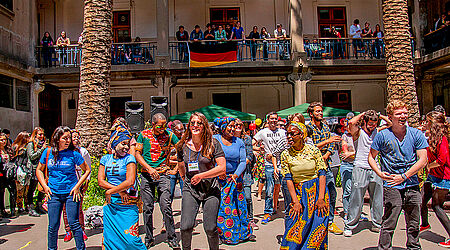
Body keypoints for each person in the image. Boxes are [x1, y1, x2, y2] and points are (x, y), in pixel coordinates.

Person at [368, 100, 428, 249]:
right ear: (390, 116)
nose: (403, 116)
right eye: (398, 113)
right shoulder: (382, 136)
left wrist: (405, 176)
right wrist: (379, 173)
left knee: (414, 222)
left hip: (412, 183)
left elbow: (423, 160)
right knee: (389, 221)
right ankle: (384, 247)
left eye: (405, 113)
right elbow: (371, 157)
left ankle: (414, 247)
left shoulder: (416, 134)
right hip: (392, 184)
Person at [176, 112, 226, 250]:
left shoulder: (213, 143)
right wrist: (185, 179)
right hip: (191, 189)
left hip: (211, 189)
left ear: (204, 126)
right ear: (189, 126)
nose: (195, 125)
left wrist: (201, 176)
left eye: (199, 123)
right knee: (185, 226)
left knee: (210, 228)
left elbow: (222, 168)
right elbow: (181, 165)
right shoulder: (182, 145)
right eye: (192, 123)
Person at [36, 126, 91, 250]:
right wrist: (45, 186)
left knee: (74, 223)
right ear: (57, 139)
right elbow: (39, 169)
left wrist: (77, 186)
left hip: (71, 193)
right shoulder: (48, 152)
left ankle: (81, 248)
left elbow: (87, 170)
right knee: (53, 226)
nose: (68, 141)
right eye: (64, 138)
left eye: (69, 138)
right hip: (53, 193)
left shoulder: (74, 154)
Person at [280, 121, 329, 249]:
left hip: (318, 191)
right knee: (296, 225)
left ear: (302, 135)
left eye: (292, 134)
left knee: (318, 226)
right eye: (287, 134)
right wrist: (295, 201)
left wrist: (321, 198)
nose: (289, 137)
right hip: (299, 192)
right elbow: (288, 178)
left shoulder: (313, 150)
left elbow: (322, 173)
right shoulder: (285, 154)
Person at [343, 110, 392, 237]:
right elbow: (351, 122)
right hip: (360, 167)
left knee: (377, 198)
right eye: (370, 123)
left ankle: (377, 223)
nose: (373, 125)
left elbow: (391, 124)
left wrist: (380, 116)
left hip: (375, 168)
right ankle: (350, 225)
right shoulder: (358, 132)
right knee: (356, 198)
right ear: (364, 121)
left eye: (375, 123)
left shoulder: (378, 131)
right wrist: (363, 113)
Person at [135, 113, 180, 248]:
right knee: (148, 208)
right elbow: (137, 154)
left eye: (165, 125)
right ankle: (149, 237)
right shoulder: (143, 135)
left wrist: (176, 168)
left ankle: (172, 237)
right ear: (153, 124)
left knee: (166, 206)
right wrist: (149, 169)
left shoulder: (170, 135)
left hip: (163, 175)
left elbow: (182, 149)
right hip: (146, 175)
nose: (163, 128)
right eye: (160, 125)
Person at [98, 125, 146, 249]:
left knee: (132, 239)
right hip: (111, 204)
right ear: (115, 143)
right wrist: (119, 192)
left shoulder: (129, 158)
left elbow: (130, 181)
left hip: (128, 204)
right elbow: (100, 181)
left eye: (127, 144)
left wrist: (111, 191)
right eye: (122, 143)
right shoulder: (105, 159)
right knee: (110, 239)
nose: (126, 147)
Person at [213, 117, 255, 244]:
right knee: (223, 207)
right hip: (220, 179)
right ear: (222, 128)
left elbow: (243, 161)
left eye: (234, 126)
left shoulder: (239, 142)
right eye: (229, 126)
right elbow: (209, 158)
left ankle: (244, 233)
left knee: (239, 206)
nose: (232, 128)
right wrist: (219, 172)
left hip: (236, 179)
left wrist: (236, 175)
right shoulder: (215, 140)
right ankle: (221, 235)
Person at [306, 102, 343, 235]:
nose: (320, 113)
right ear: (311, 114)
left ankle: (330, 221)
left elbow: (332, 144)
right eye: (317, 111)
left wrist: (327, 154)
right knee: (315, 195)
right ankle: (315, 223)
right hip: (312, 168)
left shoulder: (325, 127)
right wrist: (326, 142)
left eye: (321, 111)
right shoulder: (307, 128)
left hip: (326, 165)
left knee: (332, 192)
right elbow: (310, 148)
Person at [420, 111, 450, 247]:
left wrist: (427, 166)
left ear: (433, 123)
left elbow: (442, 160)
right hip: (433, 175)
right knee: (423, 199)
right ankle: (425, 224)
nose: (425, 123)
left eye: (427, 121)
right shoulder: (432, 136)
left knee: (437, 206)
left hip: (443, 177)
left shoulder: (443, 138)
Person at [253, 112, 287, 225]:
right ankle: (267, 213)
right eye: (271, 119)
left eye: (275, 119)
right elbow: (252, 143)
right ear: (267, 120)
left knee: (286, 188)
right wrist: (260, 150)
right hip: (269, 165)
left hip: (283, 164)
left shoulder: (283, 132)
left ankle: (288, 212)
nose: (273, 121)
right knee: (269, 190)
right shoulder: (263, 132)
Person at [62, 129, 91, 242]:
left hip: (78, 182)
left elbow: (88, 167)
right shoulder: (63, 151)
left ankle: (81, 230)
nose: (75, 139)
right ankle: (68, 230)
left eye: (76, 137)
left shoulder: (82, 151)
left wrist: (86, 182)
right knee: (65, 209)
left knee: (78, 207)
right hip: (66, 183)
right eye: (72, 137)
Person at [235, 118, 258, 230]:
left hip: (245, 173)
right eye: (236, 125)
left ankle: (250, 219)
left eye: (240, 124)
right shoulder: (230, 139)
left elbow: (250, 156)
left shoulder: (247, 138)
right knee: (235, 197)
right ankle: (238, 219)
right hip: (233, 174)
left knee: (247, 196)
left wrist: (241, 167)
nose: (238, 126)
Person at [26, 127, 47, 217]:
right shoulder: (31, 144)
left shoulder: (43, 144)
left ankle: (39, 205)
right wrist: (42, 149)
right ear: (35, 134)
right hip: (33, 169)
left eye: (42, 134)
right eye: (39, 134)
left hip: (42, 168)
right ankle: (31, 207)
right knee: (32, 189)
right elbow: (31, 156)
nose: (41, 136)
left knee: (42, 187)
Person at [11, 131, 31, 215]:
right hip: (19, 169)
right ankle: (19, 206)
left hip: (26, 169)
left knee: (27, 189)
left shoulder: (29, 147)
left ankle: (26, 205)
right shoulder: (16, 147)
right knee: (19, 189)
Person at [339, 119, 355, 218]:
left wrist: (352, 153)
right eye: (345, 126)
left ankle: (356, 212)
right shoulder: (345, 137)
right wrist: (353, 153)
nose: (347, 128)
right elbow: (345, 152)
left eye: (349, 126)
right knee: (348, 190)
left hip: (357, 165)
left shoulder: (361, 135)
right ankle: (346, 212)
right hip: (347, 165)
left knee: (357, 191)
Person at [168, 120, 185, 200]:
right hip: (170, 171)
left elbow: (184, 158)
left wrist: (176, 167)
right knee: (169, 193)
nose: (181, 132)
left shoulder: (184, 140)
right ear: (173, 130)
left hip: (182, 170)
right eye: (179, 130)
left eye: (182, 129)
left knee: (185, 193)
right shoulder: (168, 140)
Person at [0, 132, 15, 218]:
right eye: (1, 140)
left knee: (12, 191)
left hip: (9, 174)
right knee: (1, 193)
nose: (3, 141)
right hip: (1, 174)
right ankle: (2, 210)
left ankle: (12, 210)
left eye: (4, 139)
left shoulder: (8, 150)